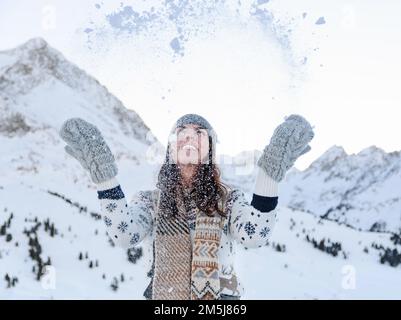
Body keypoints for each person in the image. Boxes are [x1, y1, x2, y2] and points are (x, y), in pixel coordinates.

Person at [59, 113, 314, 300]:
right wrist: (104, 175)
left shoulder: (229, 199)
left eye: (199, 133)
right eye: (181, 132)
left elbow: (254, 235)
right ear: (170, 149)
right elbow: (125, 235)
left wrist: (270, 173)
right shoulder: (151, 202)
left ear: (210, 150)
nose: (189, 136)